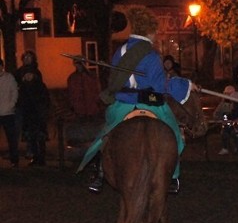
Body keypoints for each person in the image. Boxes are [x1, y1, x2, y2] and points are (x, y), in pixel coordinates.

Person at [79, 25, 195, 193]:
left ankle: (99, 172)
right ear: (147, 32)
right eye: (154, 31)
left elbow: (114, 79)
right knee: (174, 133)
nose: (155, 34)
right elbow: (160, 85)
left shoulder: (120, 51)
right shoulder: (152, 55)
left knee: (105, 134)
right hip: (150, 104)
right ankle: (173, 176)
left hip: (123, 104)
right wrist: (187, 84)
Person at [17, 67, 51, 166]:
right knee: (31, 139)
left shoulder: (40, 86)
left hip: (38, 116)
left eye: (30, 74)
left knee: (40, 138)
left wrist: (43, 111)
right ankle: (35, 157)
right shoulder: (23, 87)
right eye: (26, 75)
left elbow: (45, 100)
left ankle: (42, 158)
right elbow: (21, 101)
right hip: (28, 117)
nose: (28, 77)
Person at [0, 58, 20, 168]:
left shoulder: (9, 77)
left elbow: (14, 91)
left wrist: (11, 105)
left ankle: (14, 159)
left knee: (11, 138)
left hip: (7, 113)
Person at [213, 85, 238, 155]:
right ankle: (225, 148)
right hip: (227, 125)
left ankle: (237, 148)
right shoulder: (223, 104)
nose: (227, 96)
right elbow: (216, 114)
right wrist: (221, 119)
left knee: (236, 134)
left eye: (228, 94)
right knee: (224, 133)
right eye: (226, 94)